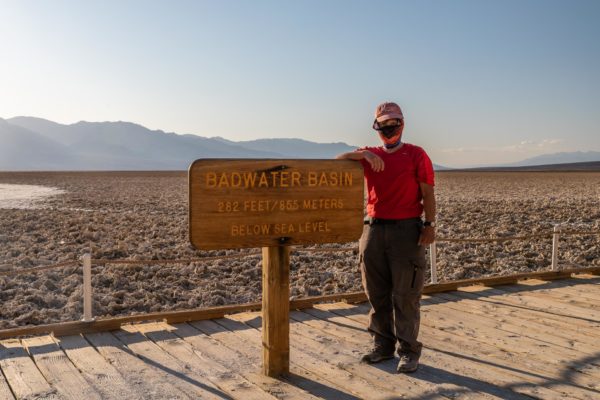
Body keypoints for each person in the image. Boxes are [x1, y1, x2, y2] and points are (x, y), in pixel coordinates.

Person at [336, 101, 436, 373]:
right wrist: (365, 156)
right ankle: (382, 346)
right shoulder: (369, 153)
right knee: (376, 292)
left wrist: (430, 224)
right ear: (376, 126)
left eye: (393, 123)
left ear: (402, 125)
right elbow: (338, 160)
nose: (388, 129)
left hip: (406, 230)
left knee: (406, 294)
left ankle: (409, 351)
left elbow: (427, 193)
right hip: (373, 229)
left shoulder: (416, 154)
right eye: (383, 125)